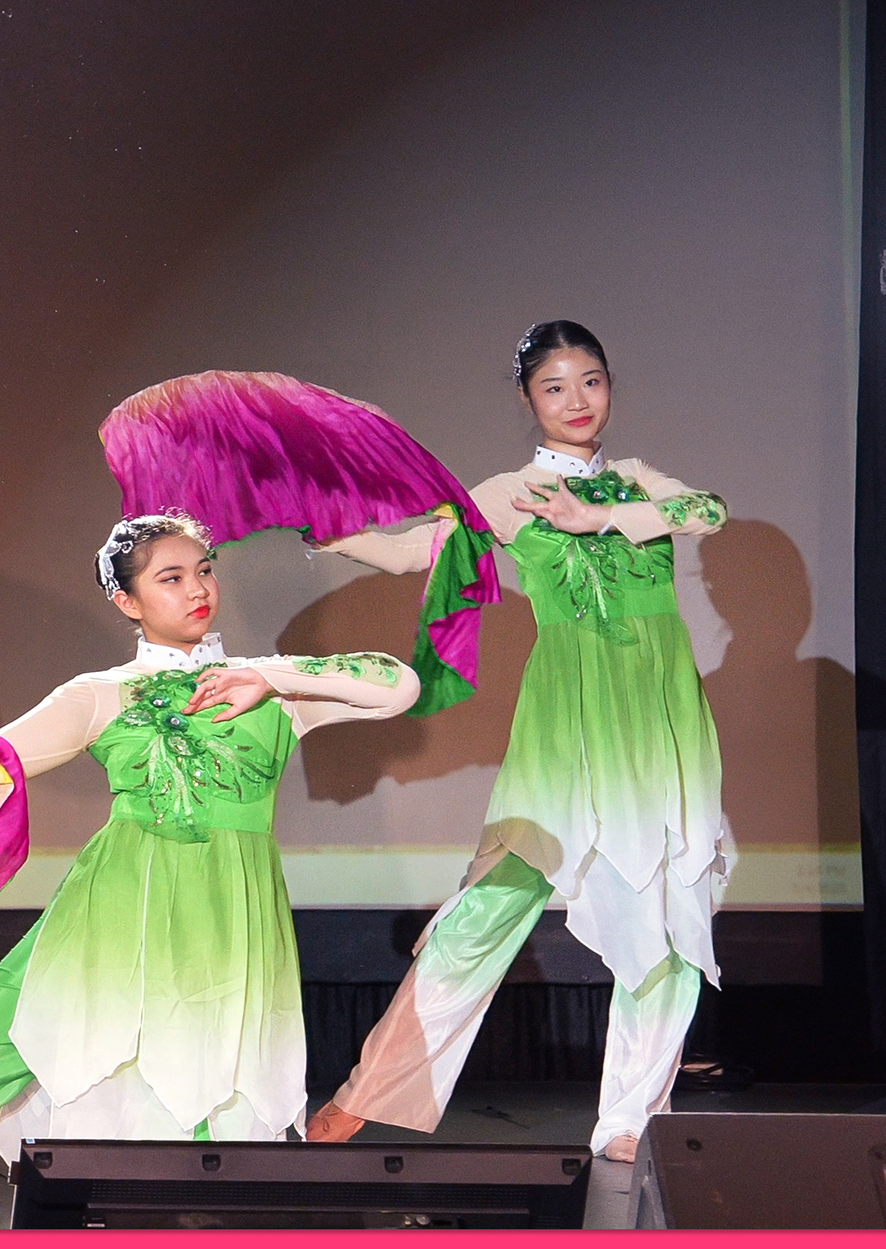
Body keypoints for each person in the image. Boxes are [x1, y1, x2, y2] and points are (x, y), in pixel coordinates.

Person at [0, 515, 419, 1156]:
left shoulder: (270, 687)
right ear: (127, 601)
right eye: (171, 578)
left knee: (212, 1070)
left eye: (204, 570)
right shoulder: (99, 695)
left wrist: (274, 676)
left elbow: (400, 685)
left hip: (231, 912)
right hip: (121, 900)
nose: (196, 589)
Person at [304, 320, 729, 1161]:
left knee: (671, 925)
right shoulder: (510, 493)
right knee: (484, 914)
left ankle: (630, 1121)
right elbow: (409, 553)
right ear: (529, 399)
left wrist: (599, 519)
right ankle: (370, 1089)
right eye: (555, 387)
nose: (578, 402)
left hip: (660, 724)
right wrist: (328, 528)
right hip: (569, 722)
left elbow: (708, 511)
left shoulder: (638, 481)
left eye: (593, 381)